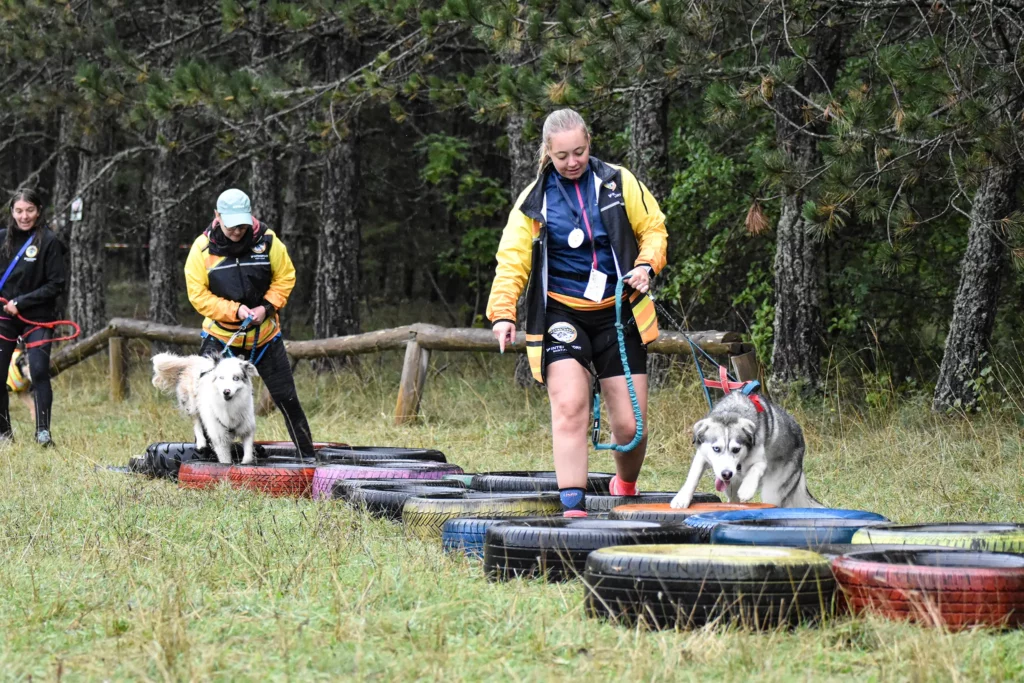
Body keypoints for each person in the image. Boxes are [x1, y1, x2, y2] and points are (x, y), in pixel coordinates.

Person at [487, 109, 668, 517]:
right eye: (563, 155)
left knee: (629, 428)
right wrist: (503, 312)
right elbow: (512, 260)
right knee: (570, 405)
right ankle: (573, 510)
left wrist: (646, 265)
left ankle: (625, 489)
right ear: (547, 153)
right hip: (562, 314)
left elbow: (654, 228)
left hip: (618, 313)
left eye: (580, 152)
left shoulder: (619, 182)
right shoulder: (534, 199)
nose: (572, 163)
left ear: (590, 144)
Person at [184, 188, 315, 458]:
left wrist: (266, 308)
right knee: (208, 400)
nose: (237, 231)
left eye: (241, 224)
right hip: (221, 339)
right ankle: (210, 461)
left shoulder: (268, 241)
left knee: (287, 398)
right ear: (217, 216)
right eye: (231, 225)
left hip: (264, 338)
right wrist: (235, 311)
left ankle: (308, 458)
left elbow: (285, 277)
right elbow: (198, 296)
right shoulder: (202, 248)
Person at [0, 188, 66, 446]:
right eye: (19, 210)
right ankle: (4, 433)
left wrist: (21, 302)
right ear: (12, 212)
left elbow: (56, 284)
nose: (24, 216)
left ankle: (42, 432)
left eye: (29, 210)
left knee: (38, 371)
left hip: (38, 317)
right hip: (5, 316)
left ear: (38, 211)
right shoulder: (2, 239)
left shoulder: (49, 241)